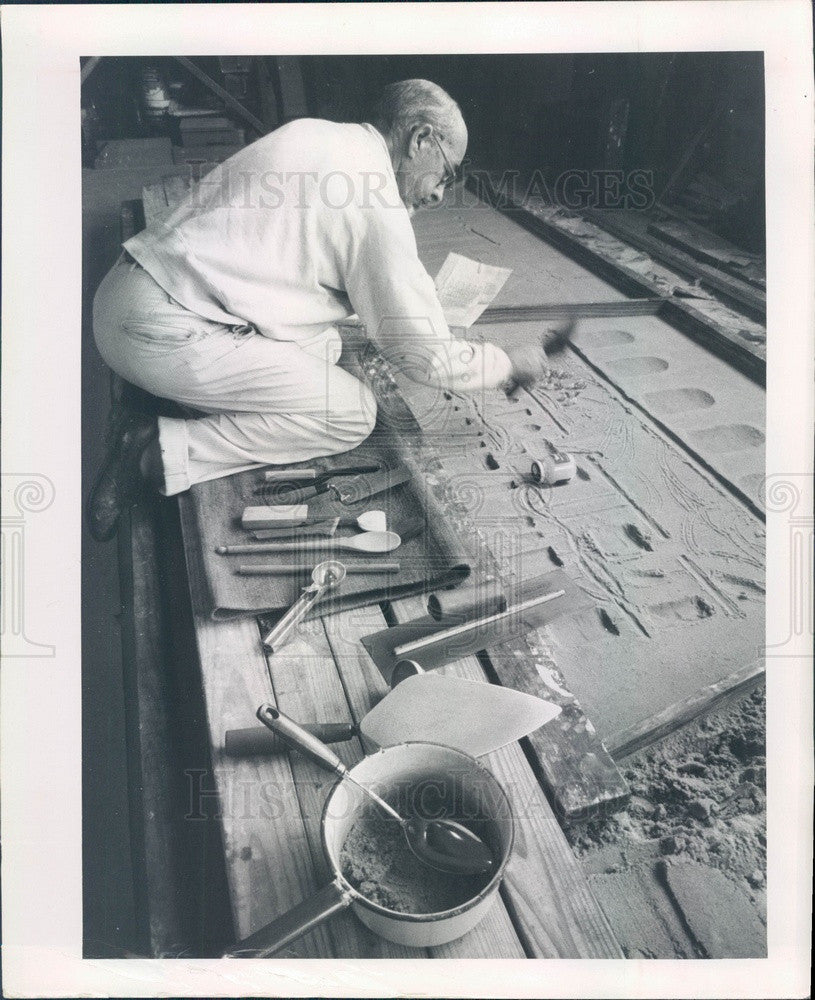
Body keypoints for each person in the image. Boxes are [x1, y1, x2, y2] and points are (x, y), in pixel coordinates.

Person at [88, 79, 549, 541]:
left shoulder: (318, 135)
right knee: (350, 412)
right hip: (157, 330)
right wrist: (506, 363)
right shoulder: (375, 202)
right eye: (445, 173)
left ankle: (177, 392)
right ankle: (152, 451)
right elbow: (423, 357)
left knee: (325, 345)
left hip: (131, 290)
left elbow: (311, 260)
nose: (438, 195)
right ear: (420, 139)